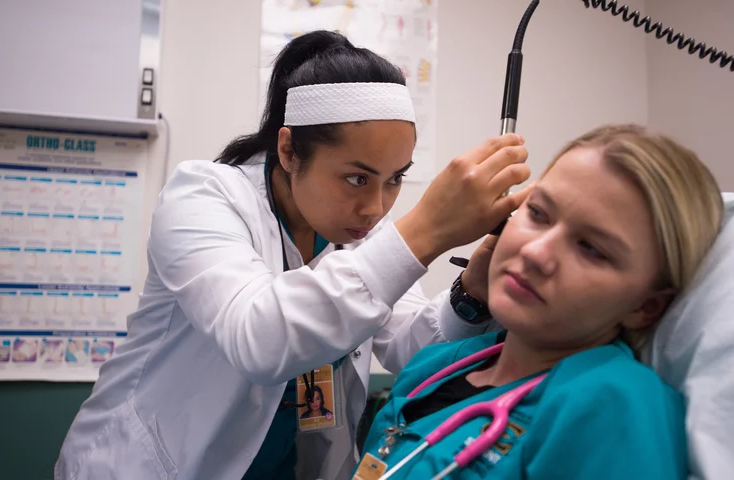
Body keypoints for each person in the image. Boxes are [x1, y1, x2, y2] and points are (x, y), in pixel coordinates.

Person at [54, 30, 532, 480]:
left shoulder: (360, 229)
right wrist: (427, 230)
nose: (377, 206)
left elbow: (411, 351)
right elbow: (259, 339)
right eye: (357, 178)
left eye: (395, 179)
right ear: (288, 150)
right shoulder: (203, 196)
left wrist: (470, 295)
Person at [355, 124, 723, 479]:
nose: (535, 252)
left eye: (591, 248)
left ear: (646, 306)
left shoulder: (614, 408)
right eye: (538, 213)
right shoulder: (433, 367)